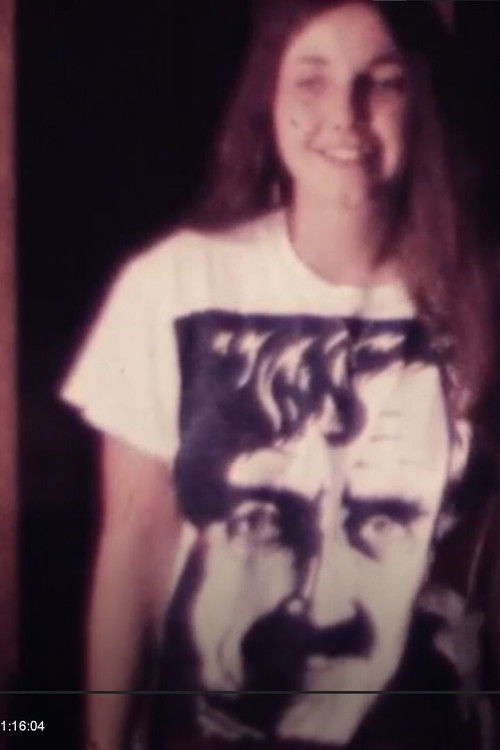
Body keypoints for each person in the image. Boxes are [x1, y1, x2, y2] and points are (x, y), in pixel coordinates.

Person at [60, 1, 499, 748]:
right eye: (311, 79)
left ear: (421, 103)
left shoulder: (480, 301)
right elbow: (133, 551)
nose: (344, 114)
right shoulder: (175, 286)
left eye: (381, 82)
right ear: (268, 99)